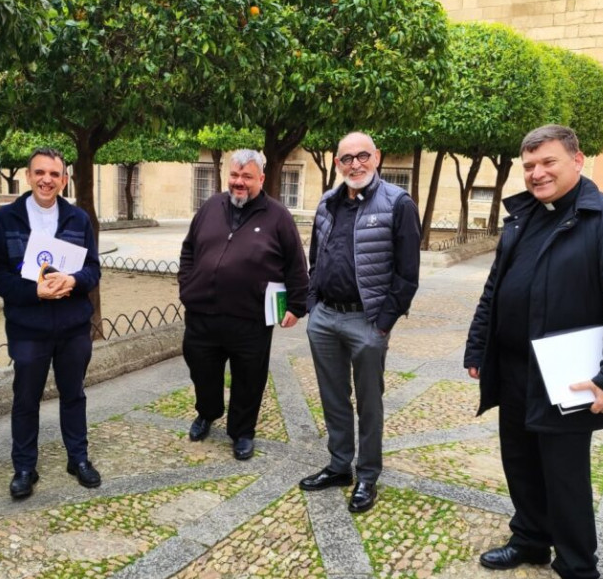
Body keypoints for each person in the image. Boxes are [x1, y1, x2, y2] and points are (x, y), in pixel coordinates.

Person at [464, 125, 603, 579]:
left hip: (569, 377)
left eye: (547, 162)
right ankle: (530, 540)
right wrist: (478, 346)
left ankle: (577, 573)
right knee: (520, 462)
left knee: (565, 477)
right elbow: (495, 289)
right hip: (513, 370)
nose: (537, 173)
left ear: (577, 159)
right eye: (529, 165)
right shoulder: (522, 217)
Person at [300, 132, 421, 514]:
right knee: (333, 398)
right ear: (337, 163)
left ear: (377, 157)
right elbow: (316, 258)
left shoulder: (397, 204)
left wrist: (383, 324)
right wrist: (313, 304)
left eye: (362, 156)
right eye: (346, 158)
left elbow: (407, 273)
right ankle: (339, 466)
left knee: (369, 403)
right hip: (325, 319)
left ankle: (367, 474)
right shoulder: (327, 202)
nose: (355, 164)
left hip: (366, 322)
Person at [0, 147, 102, 498]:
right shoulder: (8, 218)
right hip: (28, 327)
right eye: (40, 173)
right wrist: (34, 292)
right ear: (28, 175)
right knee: (25, 398)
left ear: (64, 180)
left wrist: (74, 282)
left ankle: (78, 458)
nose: (46, 180)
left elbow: (93, 268)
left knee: (74, 394)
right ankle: (24, 467)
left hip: (73, 326)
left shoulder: (78, 219)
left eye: (54, 174)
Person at [178, 149, 308, 461]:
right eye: (234, 175)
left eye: (247, 177)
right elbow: (189, 249)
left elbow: (296, 264)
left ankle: (242, 431)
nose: (239, 182)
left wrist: (296, 304)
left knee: (249, 378)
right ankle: (207, 412)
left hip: (251, 318)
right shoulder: (210, 207)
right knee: (201, 370)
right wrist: (187, 283)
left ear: (261, 179)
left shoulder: (278, 216)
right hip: (202, 315)